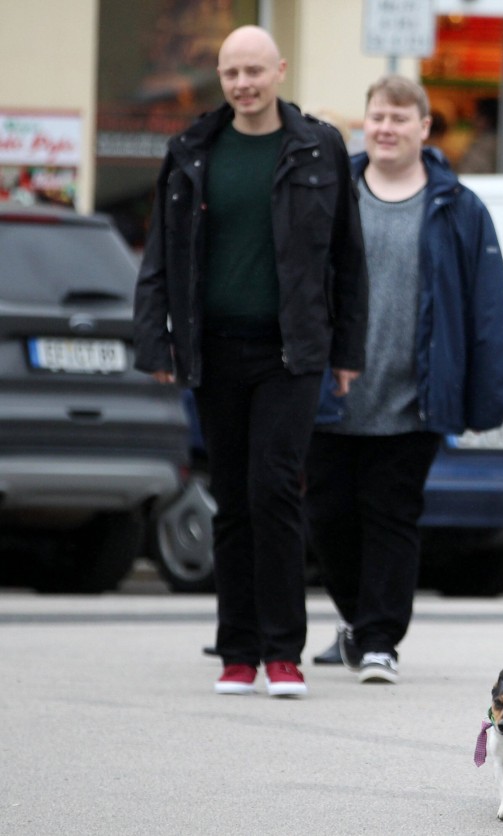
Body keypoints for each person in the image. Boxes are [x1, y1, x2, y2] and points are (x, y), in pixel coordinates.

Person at [133, 25, 367, 699]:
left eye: (254, 71)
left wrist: (347, 349)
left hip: (292, 349)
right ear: (222, 77)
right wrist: (158, 341)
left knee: (273, 488)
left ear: (279, 71)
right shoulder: (193, 149)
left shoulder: (317, 146)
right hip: (214, 348)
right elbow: (161, 256)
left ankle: (282, 652)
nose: (243, 83)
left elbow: (347, 257)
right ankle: (237, 651)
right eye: (232, 72)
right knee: (231, 497)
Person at [305, 75, 503, 685]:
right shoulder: (332, 193)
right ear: (364, 124)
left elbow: (486, 308)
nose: (387, 128)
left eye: (400, 117)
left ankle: (378, 641)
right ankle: (357, 621)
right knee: (330, 519)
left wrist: (481, 393)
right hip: (330, 397)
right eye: (378, 117)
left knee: (391, 516)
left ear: (424, 128)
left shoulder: (458, 207)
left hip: (411, 399)